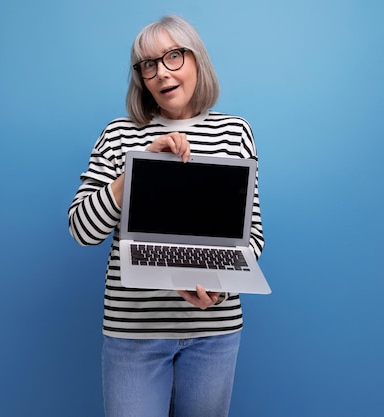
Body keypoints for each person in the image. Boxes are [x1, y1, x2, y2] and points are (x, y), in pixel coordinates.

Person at [68, 15, 264, 417]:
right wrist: (136, 169)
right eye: (148, 64)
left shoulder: (235, 132)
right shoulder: (118, 135)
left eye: (174, 56)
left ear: (197, 61)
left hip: (214, 331)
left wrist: (218, 287)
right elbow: (82, 230)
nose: (161, 73)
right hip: (133, 333)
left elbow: (252, 237)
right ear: (140, 76)